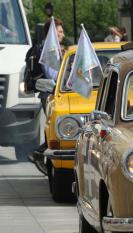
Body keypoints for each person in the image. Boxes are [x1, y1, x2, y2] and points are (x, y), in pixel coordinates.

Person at [27, 18, 65, 175]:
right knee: (57, 129)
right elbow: (52, 75)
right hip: (49, 95)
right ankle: (39, 153)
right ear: (53, 32)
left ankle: (40, 153)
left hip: (50, 94)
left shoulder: (50, 47)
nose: (63, 34)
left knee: (57, 129)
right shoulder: (49, 49)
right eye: (60, 31)